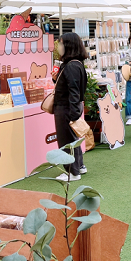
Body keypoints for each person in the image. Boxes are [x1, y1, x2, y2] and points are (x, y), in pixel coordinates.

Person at [51, 33, 88, 181]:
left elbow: (73, 91)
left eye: (60, 44)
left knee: (66, 140)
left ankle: (72, 172)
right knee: (73, 139)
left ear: (68, 46)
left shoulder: (71, 65)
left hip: (66, 108)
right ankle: (78, 166)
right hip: (70, 107)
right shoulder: (76, 64)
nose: (59, 47)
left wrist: (72, 114)